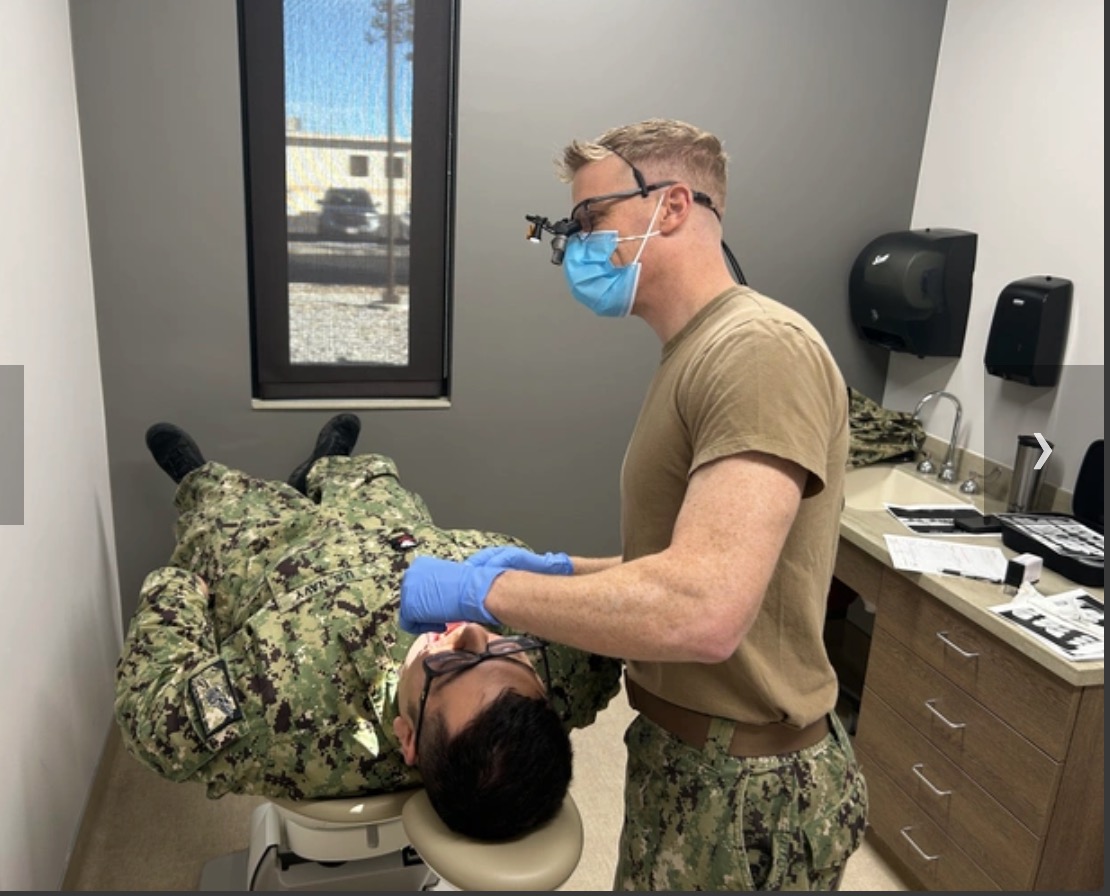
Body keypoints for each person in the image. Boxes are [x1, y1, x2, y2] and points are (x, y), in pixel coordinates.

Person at [399, 119, 868, 888]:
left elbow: (705, 610)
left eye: (589, 221)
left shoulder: (757, 352)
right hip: (687, 761)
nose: (574, 246)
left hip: (747, 791)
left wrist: (492, 592)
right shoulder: (695, 355)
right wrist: (558, 570)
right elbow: (686, 566)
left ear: (673, 206)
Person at [115, 415, 622, 842]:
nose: (472, 632)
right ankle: (321, 466)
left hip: (277, 554)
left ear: (406, 738)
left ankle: (198, 476)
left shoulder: (284, 708)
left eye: (452, 664)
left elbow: (156, 717)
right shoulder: (569, 669)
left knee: (224, 509)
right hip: (394, 534)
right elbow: (631, 608)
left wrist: (179, 588)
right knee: (367, 479)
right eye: (509, 650)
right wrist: (559, 572)